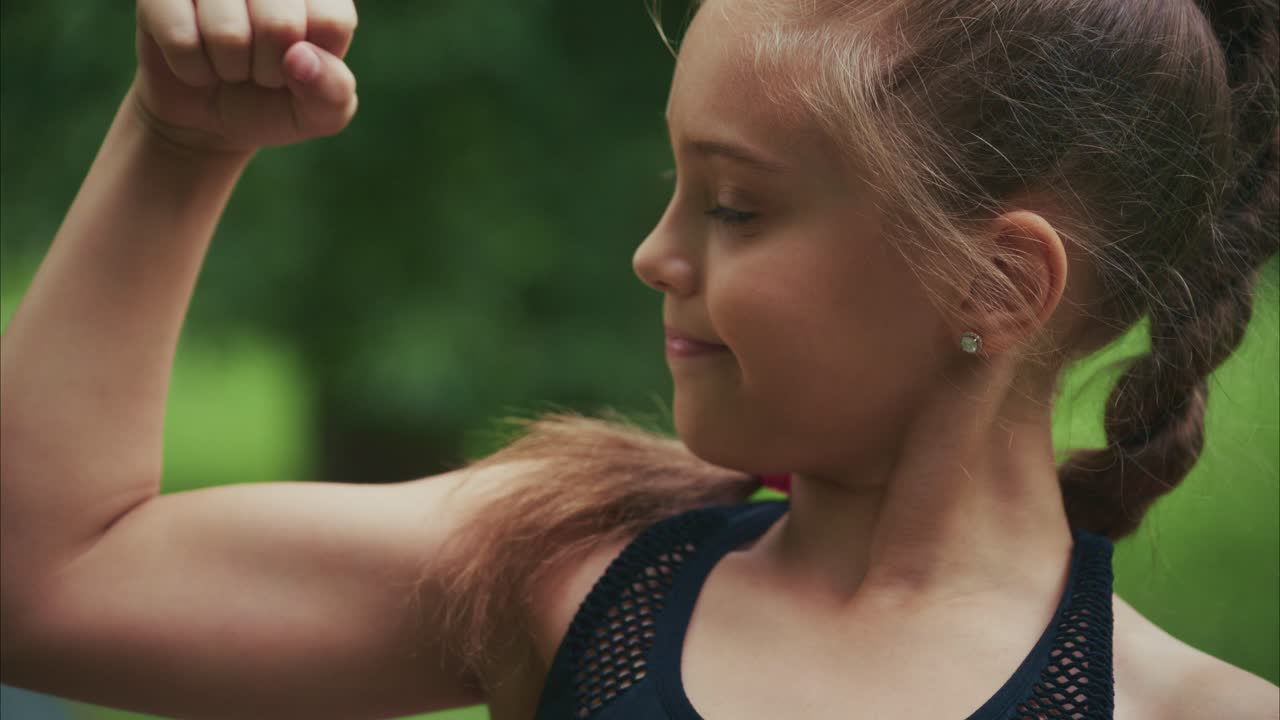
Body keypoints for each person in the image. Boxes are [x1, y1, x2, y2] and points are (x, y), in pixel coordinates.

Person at [1, 0, 1277, 718]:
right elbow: (46, 584)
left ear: (994, 285)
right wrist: (176, 144)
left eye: (733, 205)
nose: (653, 254)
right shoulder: (570, 569)